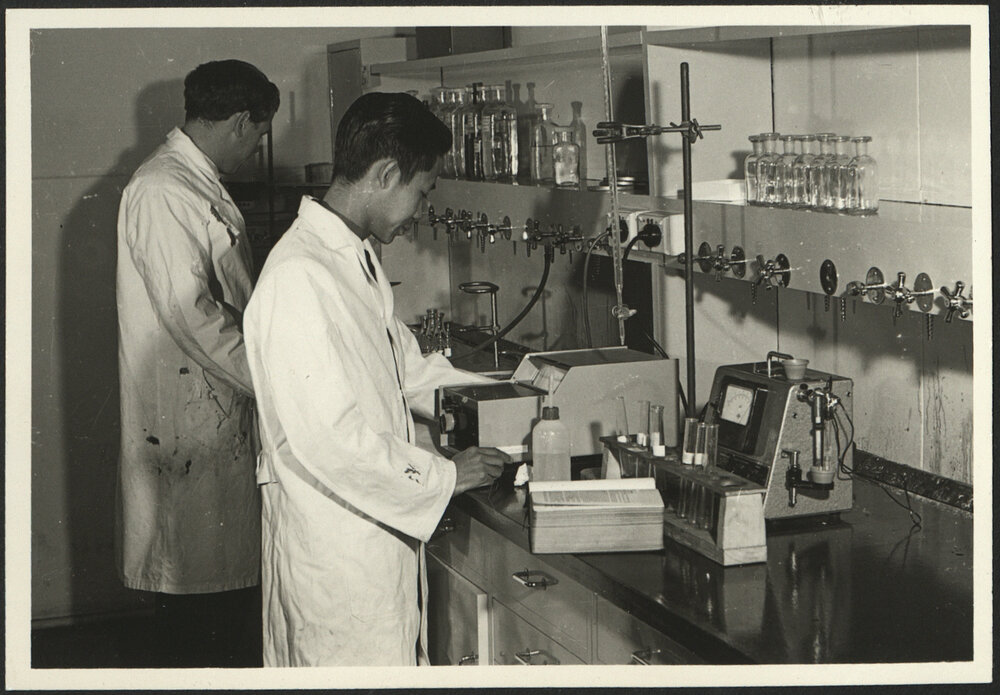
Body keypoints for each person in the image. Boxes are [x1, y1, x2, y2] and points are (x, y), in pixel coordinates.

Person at [243, 92, 511, 667]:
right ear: (386, 173)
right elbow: (331, 440)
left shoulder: (350, 257)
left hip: (368, 541)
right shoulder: (299, 276)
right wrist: (442, 474)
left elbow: (405, 369)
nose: (419, 210)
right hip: (338, 556)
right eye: (421, 191)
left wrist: (517, 392)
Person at [115, 59, 279, 665]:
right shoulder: (162, 188)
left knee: (218, 601)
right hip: (193, 422)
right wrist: (272, 377)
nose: (257, 146)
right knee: (200, 620)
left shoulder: (192, 180)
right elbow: (193, 317)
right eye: (259, 134)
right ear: (241, 122)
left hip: (212, 415)